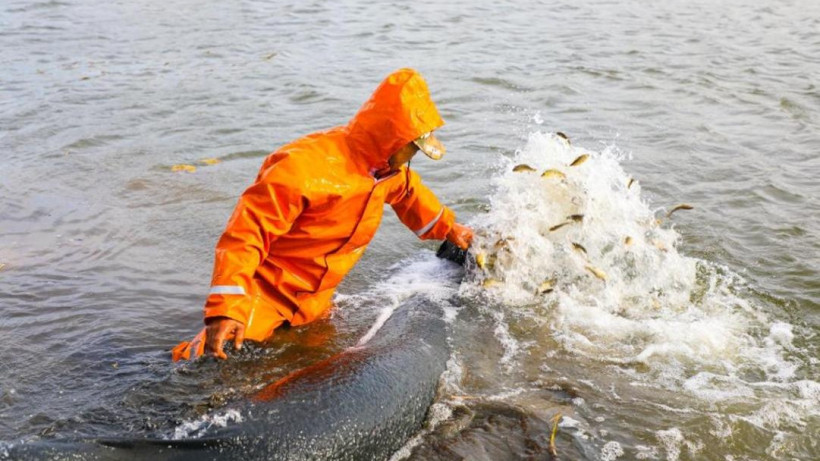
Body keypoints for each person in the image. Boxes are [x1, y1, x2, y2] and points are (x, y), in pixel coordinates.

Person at [172, 68, 473, 361]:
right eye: (413, 147)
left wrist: (451, 229)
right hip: (265, 293)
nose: (415, 155)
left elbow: (411, 195)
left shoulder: (388, 173)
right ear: (392, 139)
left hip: (316, 300)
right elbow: (246, 235)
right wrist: (225, 308)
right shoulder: (301, 169)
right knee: (210, 358)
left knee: (316, 363)